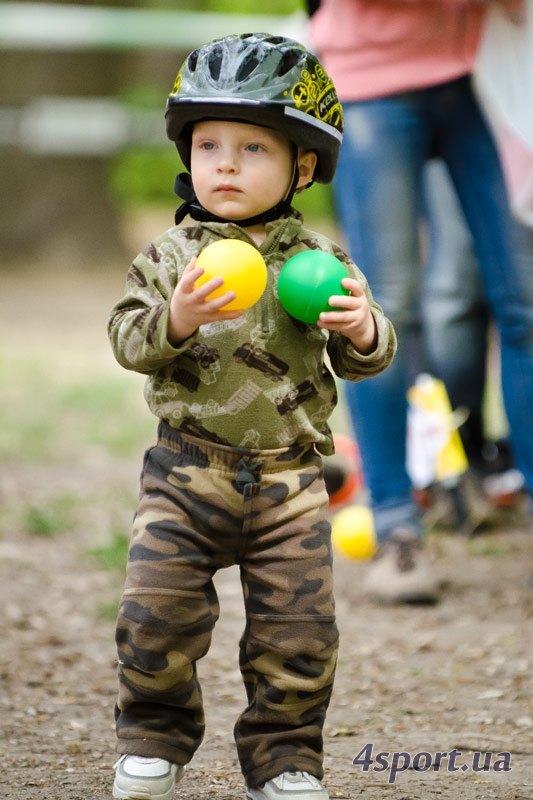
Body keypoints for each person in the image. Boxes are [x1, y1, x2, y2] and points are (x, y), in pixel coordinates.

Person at [107, 33, 396, 800]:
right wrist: (175, 315)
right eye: (208, 145)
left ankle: (285, 758)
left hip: (291, 483)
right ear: (187, 152)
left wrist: (363, 326)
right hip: (184, 471)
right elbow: (126, 340)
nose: (226, 164)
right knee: (155, 618)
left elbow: (367, 359)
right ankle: (152, 739)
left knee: (297, 640)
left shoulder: (322, 259)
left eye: (252, 149)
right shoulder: (172, 255)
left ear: (302, 166)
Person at [309, 0, 533, 603]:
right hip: (373, 77)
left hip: (487, 75)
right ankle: (397, 530)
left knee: (526, 309)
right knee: (382, 311)